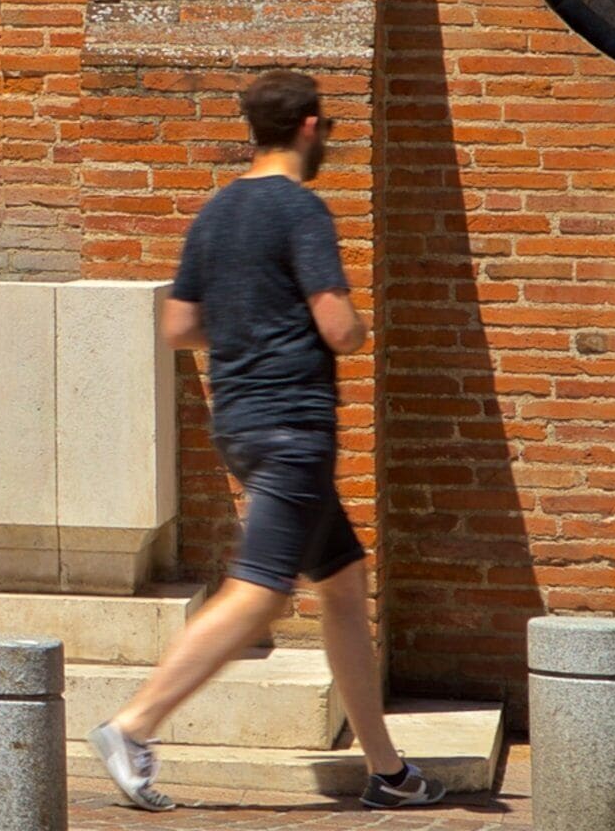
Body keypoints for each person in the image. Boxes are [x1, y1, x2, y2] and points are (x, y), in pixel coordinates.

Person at [89, 70, 445, 813]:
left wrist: (248, 327)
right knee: (261, 591)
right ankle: (134, 724)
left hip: (241, 424)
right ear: (311, 128)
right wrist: (349, 327)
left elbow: (178, 326)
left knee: (344, 589)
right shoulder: (300, 210)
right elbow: (339, 327)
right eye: (328, 132)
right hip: (293, 429)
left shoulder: (215, 213)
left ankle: (386, 770)